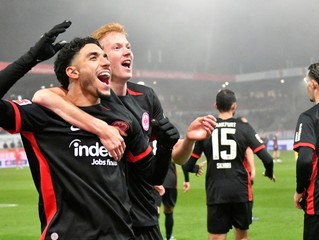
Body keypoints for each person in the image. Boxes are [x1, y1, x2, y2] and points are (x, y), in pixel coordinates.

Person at [32, 22, 216, 239]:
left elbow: (174, 156)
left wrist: (188, 140)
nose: (127, 51)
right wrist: (100, 127)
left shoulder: (146, 97)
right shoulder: (83, 96)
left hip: (145, 215)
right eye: (117, 48)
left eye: (128, 46)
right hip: (107, 220)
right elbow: (43, 97)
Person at [0, 32, 180, 239]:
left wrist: (165, 147)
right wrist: (32, 57)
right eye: (94, 57)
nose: (104, 62)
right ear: (73, 72)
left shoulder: (123, 119)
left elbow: (152, 176)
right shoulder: (42, 116)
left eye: (105, 57)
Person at [183, 89, 275, 240]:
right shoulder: (244, 127)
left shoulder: (207, 129)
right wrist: (269, 172)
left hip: (216, 192)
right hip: (239, 190)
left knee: (216, 237)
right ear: (234, 106)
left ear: (216, 105)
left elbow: (187, 165)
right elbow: (268, 159)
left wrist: (194, 168)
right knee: (242, 236)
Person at [293, 62, 319, 240]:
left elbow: (304, 160)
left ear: (313, 84)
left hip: (317, 205)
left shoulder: (309, 118)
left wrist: (300, 190)